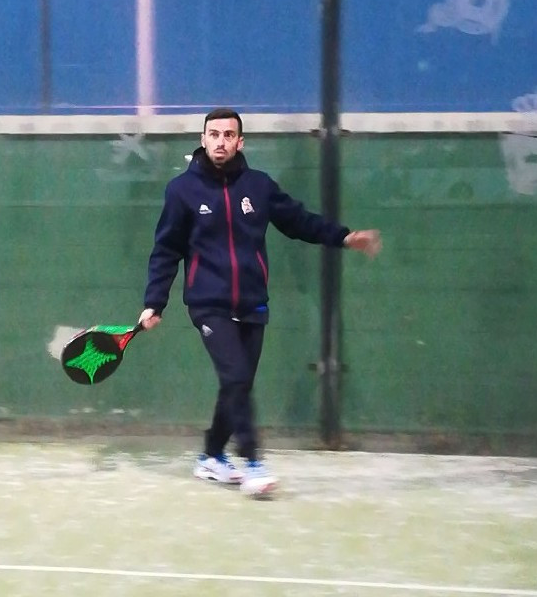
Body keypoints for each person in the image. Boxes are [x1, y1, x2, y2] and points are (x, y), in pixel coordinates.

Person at [138, 108, 381, 497]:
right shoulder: (181, 191)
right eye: (213, 134)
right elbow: (166, 250)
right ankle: (253, 462)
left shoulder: (259, 186)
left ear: (240, 142)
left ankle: (211, 456)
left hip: (253, 304)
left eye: (228, 135)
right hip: (208, 305)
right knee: (236, 378)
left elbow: (299, 221)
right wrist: (155, 302)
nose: (220, 141)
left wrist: (344, 237)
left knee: (237, 384)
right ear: (202, 140)